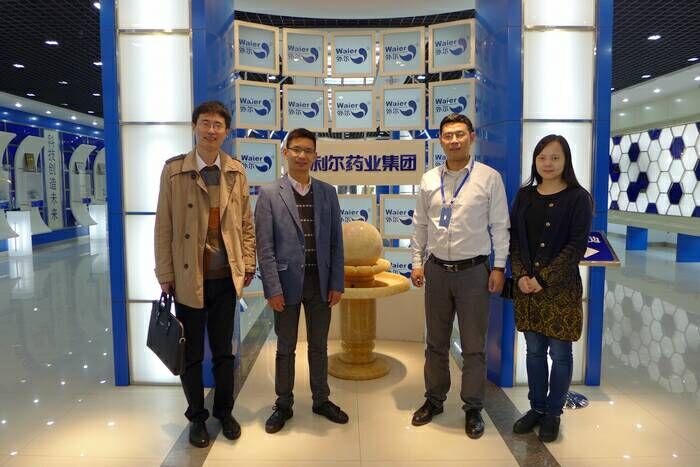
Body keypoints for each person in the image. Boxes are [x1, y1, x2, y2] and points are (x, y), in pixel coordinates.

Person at [154, 101, 256, 448]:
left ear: (226, 131)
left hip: (225, 278)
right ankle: (197, 417)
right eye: (206, 123)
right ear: (195, 126)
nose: (212, 130)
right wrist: (165, 272)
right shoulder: (174, 171)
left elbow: (246, 224)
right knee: (192, 353)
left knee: (225, 352)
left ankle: (224, 412)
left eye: (218, 125)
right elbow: (163, 226)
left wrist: (248, 263)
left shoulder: (236, 172)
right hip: (188, 279)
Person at [410, 113, 509, 439]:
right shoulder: (428, 179)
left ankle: (473, 407)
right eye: (448, 135)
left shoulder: (489, 178)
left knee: (473, 346)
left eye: (460, 134)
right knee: (435, 342)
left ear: (471, 137)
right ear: (440, 140)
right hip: (437, 270)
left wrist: (499, 267)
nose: (454, 140)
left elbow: (500, 226)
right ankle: (434, 399)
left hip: (474, 273)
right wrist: (417, 262)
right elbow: (420, 224)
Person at [254, 127, 347, 434]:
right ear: (285, 153)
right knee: (285, 348)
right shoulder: (269, 194)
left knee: (319, 346)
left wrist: (336, 283)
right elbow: (265, 247)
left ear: (315, 155)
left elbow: (336, 243)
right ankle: (283, 404)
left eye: (308, 150)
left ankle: (321, 399)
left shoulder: (327, 192)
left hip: (320, 283)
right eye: (296, 149)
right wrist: (272, 288)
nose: (302, 155)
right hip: (285, 284)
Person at [509, 134, 592, 442]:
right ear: (535, 160)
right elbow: (514, 240)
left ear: (566, 160)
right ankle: (537, 408)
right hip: (527, 290)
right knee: (533, 351)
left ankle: (553, 413)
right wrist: (520, 275)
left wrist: (543, 279)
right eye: (542, 157)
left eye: (555, 157)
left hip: (560, 291)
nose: (548, 163)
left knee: (560, 353)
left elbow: (576, 246)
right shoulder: (525, 196)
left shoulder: (578, 198)